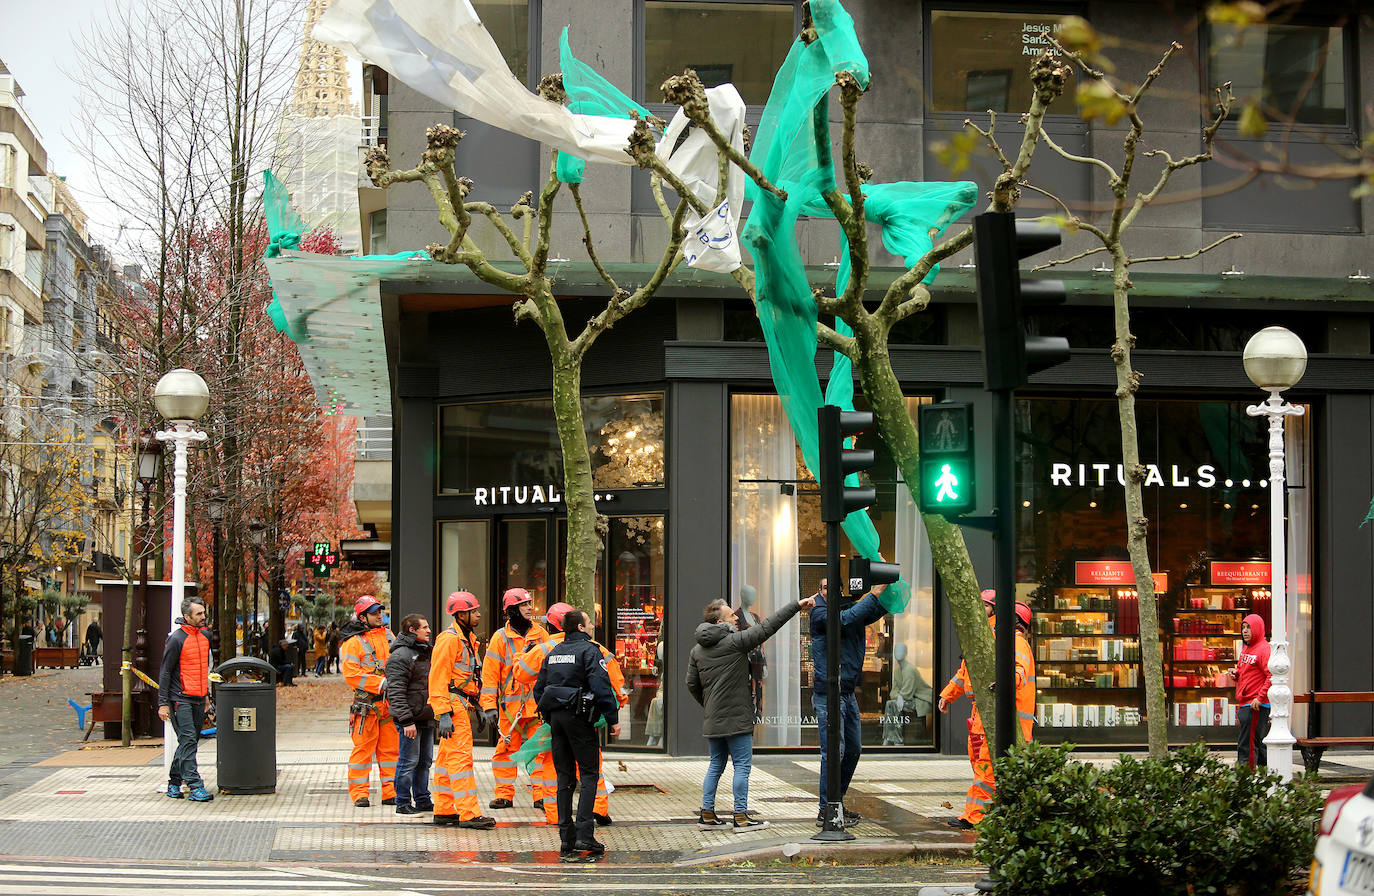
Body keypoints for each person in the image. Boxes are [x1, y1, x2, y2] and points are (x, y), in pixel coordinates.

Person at [688, 593, 814, 831]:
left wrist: (710, 705)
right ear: (719, 622)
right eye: (730, 615)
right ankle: (741, 816)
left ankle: (706, 814)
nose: (736, 617)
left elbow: (691, 684)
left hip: (714, 718)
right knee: (742, 766)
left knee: (716, 764)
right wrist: (796, 605)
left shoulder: (697, 650)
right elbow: (768, 627)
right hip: (737, 718)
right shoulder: (735, 641)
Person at [512, 602, 626, 827]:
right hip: (585, 715)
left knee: (556, 769)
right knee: (591, 768)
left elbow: (522, 675)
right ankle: (597, 810)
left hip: (555, 717)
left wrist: (519, 656)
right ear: (581, 627)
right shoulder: (595, 648)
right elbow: (611, 680)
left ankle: (557, 818)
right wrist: (613, 712)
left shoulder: (547, 649)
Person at [938, 593, 1035, 828]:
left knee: (987, 769)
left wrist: (1005, 681)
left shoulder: (1013, 642)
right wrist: (947, 695)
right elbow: (965, 674)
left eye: (984, 605)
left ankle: (975, 817)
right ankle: (994, 813)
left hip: (1003, 720)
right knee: (984, 767)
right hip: (984, 716)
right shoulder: (989, 641)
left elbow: (1017, 672)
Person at [534, 609, 620, 858]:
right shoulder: (589, 650)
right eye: (589, 622)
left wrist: (551, 716)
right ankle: (585, 835)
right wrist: (612, 719)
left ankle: (566, 837)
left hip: (557, 719)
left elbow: (540, 689)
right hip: (580, 718)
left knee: (564, 777)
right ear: (581, 628)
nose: (592, 625)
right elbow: (601, 686)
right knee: (590, 773)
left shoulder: (554, 652)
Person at [809, 576, 888, 828]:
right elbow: (843, 620)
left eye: (833, 587)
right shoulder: (819, 613)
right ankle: (826, 808)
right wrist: (873, 594)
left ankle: (837, 802)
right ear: (819, 591)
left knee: (853, 749)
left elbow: (873, 609)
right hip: (828, 693)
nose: (828, 591)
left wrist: (886, 582)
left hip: (847, 692)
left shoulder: (849, 610)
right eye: (824, 587)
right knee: (833, 751)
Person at [427, 590, 496, 829]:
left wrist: (477, 705)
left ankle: (444, 809)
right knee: (461, 760)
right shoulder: (449, 639)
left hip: (459, 704)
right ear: (461, 614)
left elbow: (465, 678)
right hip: (453, 705)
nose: (478, 615)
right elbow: (438, 678)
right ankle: (469, 814)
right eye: (474, 611)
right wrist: (443, 713)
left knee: (447, 760)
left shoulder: (466, 639)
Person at [480, 588, 549, 810]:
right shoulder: (500, 638)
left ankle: (541, 795)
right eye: (524, 605)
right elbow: (489, 675)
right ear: (512, 610)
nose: (530, 608)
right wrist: (489, 707)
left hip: (536, 706)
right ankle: (503, 795)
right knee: (505, 752)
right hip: (510, 708)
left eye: (530, 604)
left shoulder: (541, 635)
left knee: (539, 752)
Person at [340, 596, 398, 808]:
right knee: (363, 750)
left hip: (388, 705)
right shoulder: (353, 643)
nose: (379, 616)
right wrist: (380, 683)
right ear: (363, 617)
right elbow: (351, 675)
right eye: (374, 613)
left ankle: (390, 792)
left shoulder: (389, 636)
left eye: (380, 612)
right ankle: (360, 794)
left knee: (391, 751)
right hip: (367, 705)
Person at [157, 598, 213, 802]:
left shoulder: (205, 636)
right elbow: (165, 672)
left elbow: (204, 669)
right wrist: (163, 703)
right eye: (198, 614)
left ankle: (174, 783)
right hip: (179, 699)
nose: (203, 617)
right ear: (187, 617)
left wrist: (206, 696)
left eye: (203, 612)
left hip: (198, 697)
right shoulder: (176, 639)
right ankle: (194, 784)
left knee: (188, 742)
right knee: (188, 739)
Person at [386, 613, 436, 815]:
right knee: (408, 761)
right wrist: (406, 720)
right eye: (424, 627)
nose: (429, 631)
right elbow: (396, 692)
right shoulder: (401, 656)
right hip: (410, 720)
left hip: (425, 716)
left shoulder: (426, 652)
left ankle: (423, 798)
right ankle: (403, 801)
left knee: (424, 761)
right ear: (412, 630)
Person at [1234, 613, 1271, 769]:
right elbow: (1243, 672)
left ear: (1257, 628)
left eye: (1249, 627)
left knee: (1248, 741)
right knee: (1255, 740)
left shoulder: (1264, 649)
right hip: (1246, 702)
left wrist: (1260, 698)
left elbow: (1271, 676)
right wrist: (1236, 674)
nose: (1245, 631)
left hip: (1255, 705)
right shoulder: (1246, 649)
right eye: (1243, 627)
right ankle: (1265, 769)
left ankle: (1245, 770)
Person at [883, 642, 934, 745]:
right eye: (896, 651)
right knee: (890, 703)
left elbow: (908, 692)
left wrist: (901, 697)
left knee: (893, 704)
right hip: (908, 699)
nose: (898, 653)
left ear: (905, 653)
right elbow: (893, 692)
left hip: (921, 699)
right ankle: (889, 737)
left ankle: (897, 739)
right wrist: (899, 697)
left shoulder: (910, 669)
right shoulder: (897, 671)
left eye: (901, 650)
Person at [733, 585, 767, 723]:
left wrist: (765, 664)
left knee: (757, 691)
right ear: (742, 595)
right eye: (749, 594)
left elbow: (762, 642)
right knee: (746, 694)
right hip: (744, 664)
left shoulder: (756, 617)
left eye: (754, 594)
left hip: (757, 664)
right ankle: (745, 724)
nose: (752, 598)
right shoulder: (736, 617)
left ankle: (755, 718)